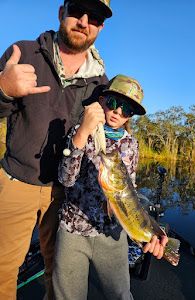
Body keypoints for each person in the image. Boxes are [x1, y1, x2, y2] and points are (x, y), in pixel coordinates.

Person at [0, 0, 112, 299]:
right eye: (77, 10)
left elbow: (101, 145)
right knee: (2, 270)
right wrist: (3, 90)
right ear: (62, 12)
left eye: (96, 17)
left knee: (59, 272)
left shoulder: (100, 83)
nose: (84, 21)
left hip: (63, 193)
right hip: (16, 182)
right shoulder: (21, 52)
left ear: (101, 27)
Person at [53, 74, 168, 299]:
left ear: (130, 116)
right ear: (103, 101)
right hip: (73, 229)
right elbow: (65, 180)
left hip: (111, 234)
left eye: (127, 109)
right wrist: (82, 133)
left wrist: (152, 232)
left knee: (121, 295)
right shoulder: (81, 131)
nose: (117, 112)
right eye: (114, 103)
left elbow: (130, 195)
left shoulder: (131, 145)